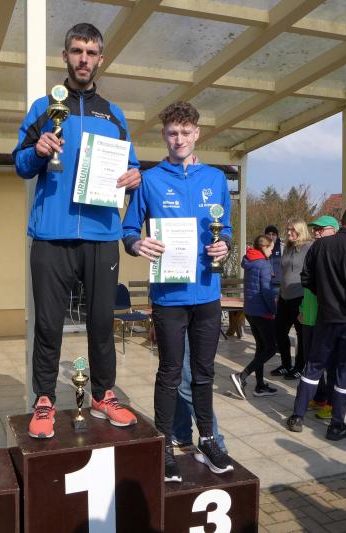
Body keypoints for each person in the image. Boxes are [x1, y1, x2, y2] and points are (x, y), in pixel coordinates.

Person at [13, 23, 141, 439]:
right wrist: (37, 151)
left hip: (102, 235)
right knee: (48, 323)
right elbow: (19, 164)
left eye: (90, 52)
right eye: (76, 51)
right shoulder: (44, 107)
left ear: (100, 59)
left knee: (101, 323)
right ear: (65, 56)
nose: (83, 59)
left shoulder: (114, 114)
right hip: (51, 234)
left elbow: (131, 166)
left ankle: (103, 395)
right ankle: (44, 399)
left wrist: (134, 177)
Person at [123, 100, 233, 482]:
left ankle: (208, 440)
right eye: (173, 133)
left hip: (207, 293)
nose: (179, 139)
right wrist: (137, 244)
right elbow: (128, 229)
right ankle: (165, 445)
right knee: (170, 372)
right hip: (169, 296)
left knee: (204, 372)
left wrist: (225, 246)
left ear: (197, 133)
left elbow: (226, 230)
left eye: (186, 132)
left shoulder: (215, 179)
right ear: (164, 135)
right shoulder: (149, 180)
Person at [286, 205, 346, 441]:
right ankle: (337, 424)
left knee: (313, 367)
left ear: (342, 221)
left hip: (326, 318)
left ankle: (297, 416)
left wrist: (325, 296)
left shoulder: (320, 246)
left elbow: (306, 278)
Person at [300, 215, 340, 420]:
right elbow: (306, 284)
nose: (316, 232)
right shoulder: (313, 251)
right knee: (311, 360)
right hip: (308, 316)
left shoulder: (336, 253)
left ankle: (332, 404)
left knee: (330, 363)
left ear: (334, 230)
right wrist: (302, 308)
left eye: (321, 229)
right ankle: (320, 397)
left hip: (326, 318)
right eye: (314, 229)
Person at [230, 235, 277, 399]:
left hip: (250, 310)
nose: (272, 252)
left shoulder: (250, 260)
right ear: (264, 247)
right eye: (271, 248)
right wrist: (274, 309)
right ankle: (242, 376)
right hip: (262, 312)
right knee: (271, 349)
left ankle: (260, 385)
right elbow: (266, 291)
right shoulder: (263, 264)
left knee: (261, 348)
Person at [270, 219, 312, 379]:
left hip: (300, 297)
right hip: (284, 297)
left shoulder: (310, 247)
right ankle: (286, 364)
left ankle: (300, 367)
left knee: (301, 334)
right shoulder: (287, 247)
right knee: (279, 331)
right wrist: (279, 294)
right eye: (287, 229)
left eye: (292, 230)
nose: (288, 233)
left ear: (301, 230)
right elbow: (284, 273)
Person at [172, 334, 227, 452]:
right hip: (177, 326)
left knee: (188, 386)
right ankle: (181, 434)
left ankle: (215, 444)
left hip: (184, 326)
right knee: (177, 380)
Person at [265, 225, 282, 298]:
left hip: (278, 283)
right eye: (269, 234)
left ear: (277, 236)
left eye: (273, 234)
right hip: (265, 282)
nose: (271, 237)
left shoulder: (282, 247)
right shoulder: (261, 247)